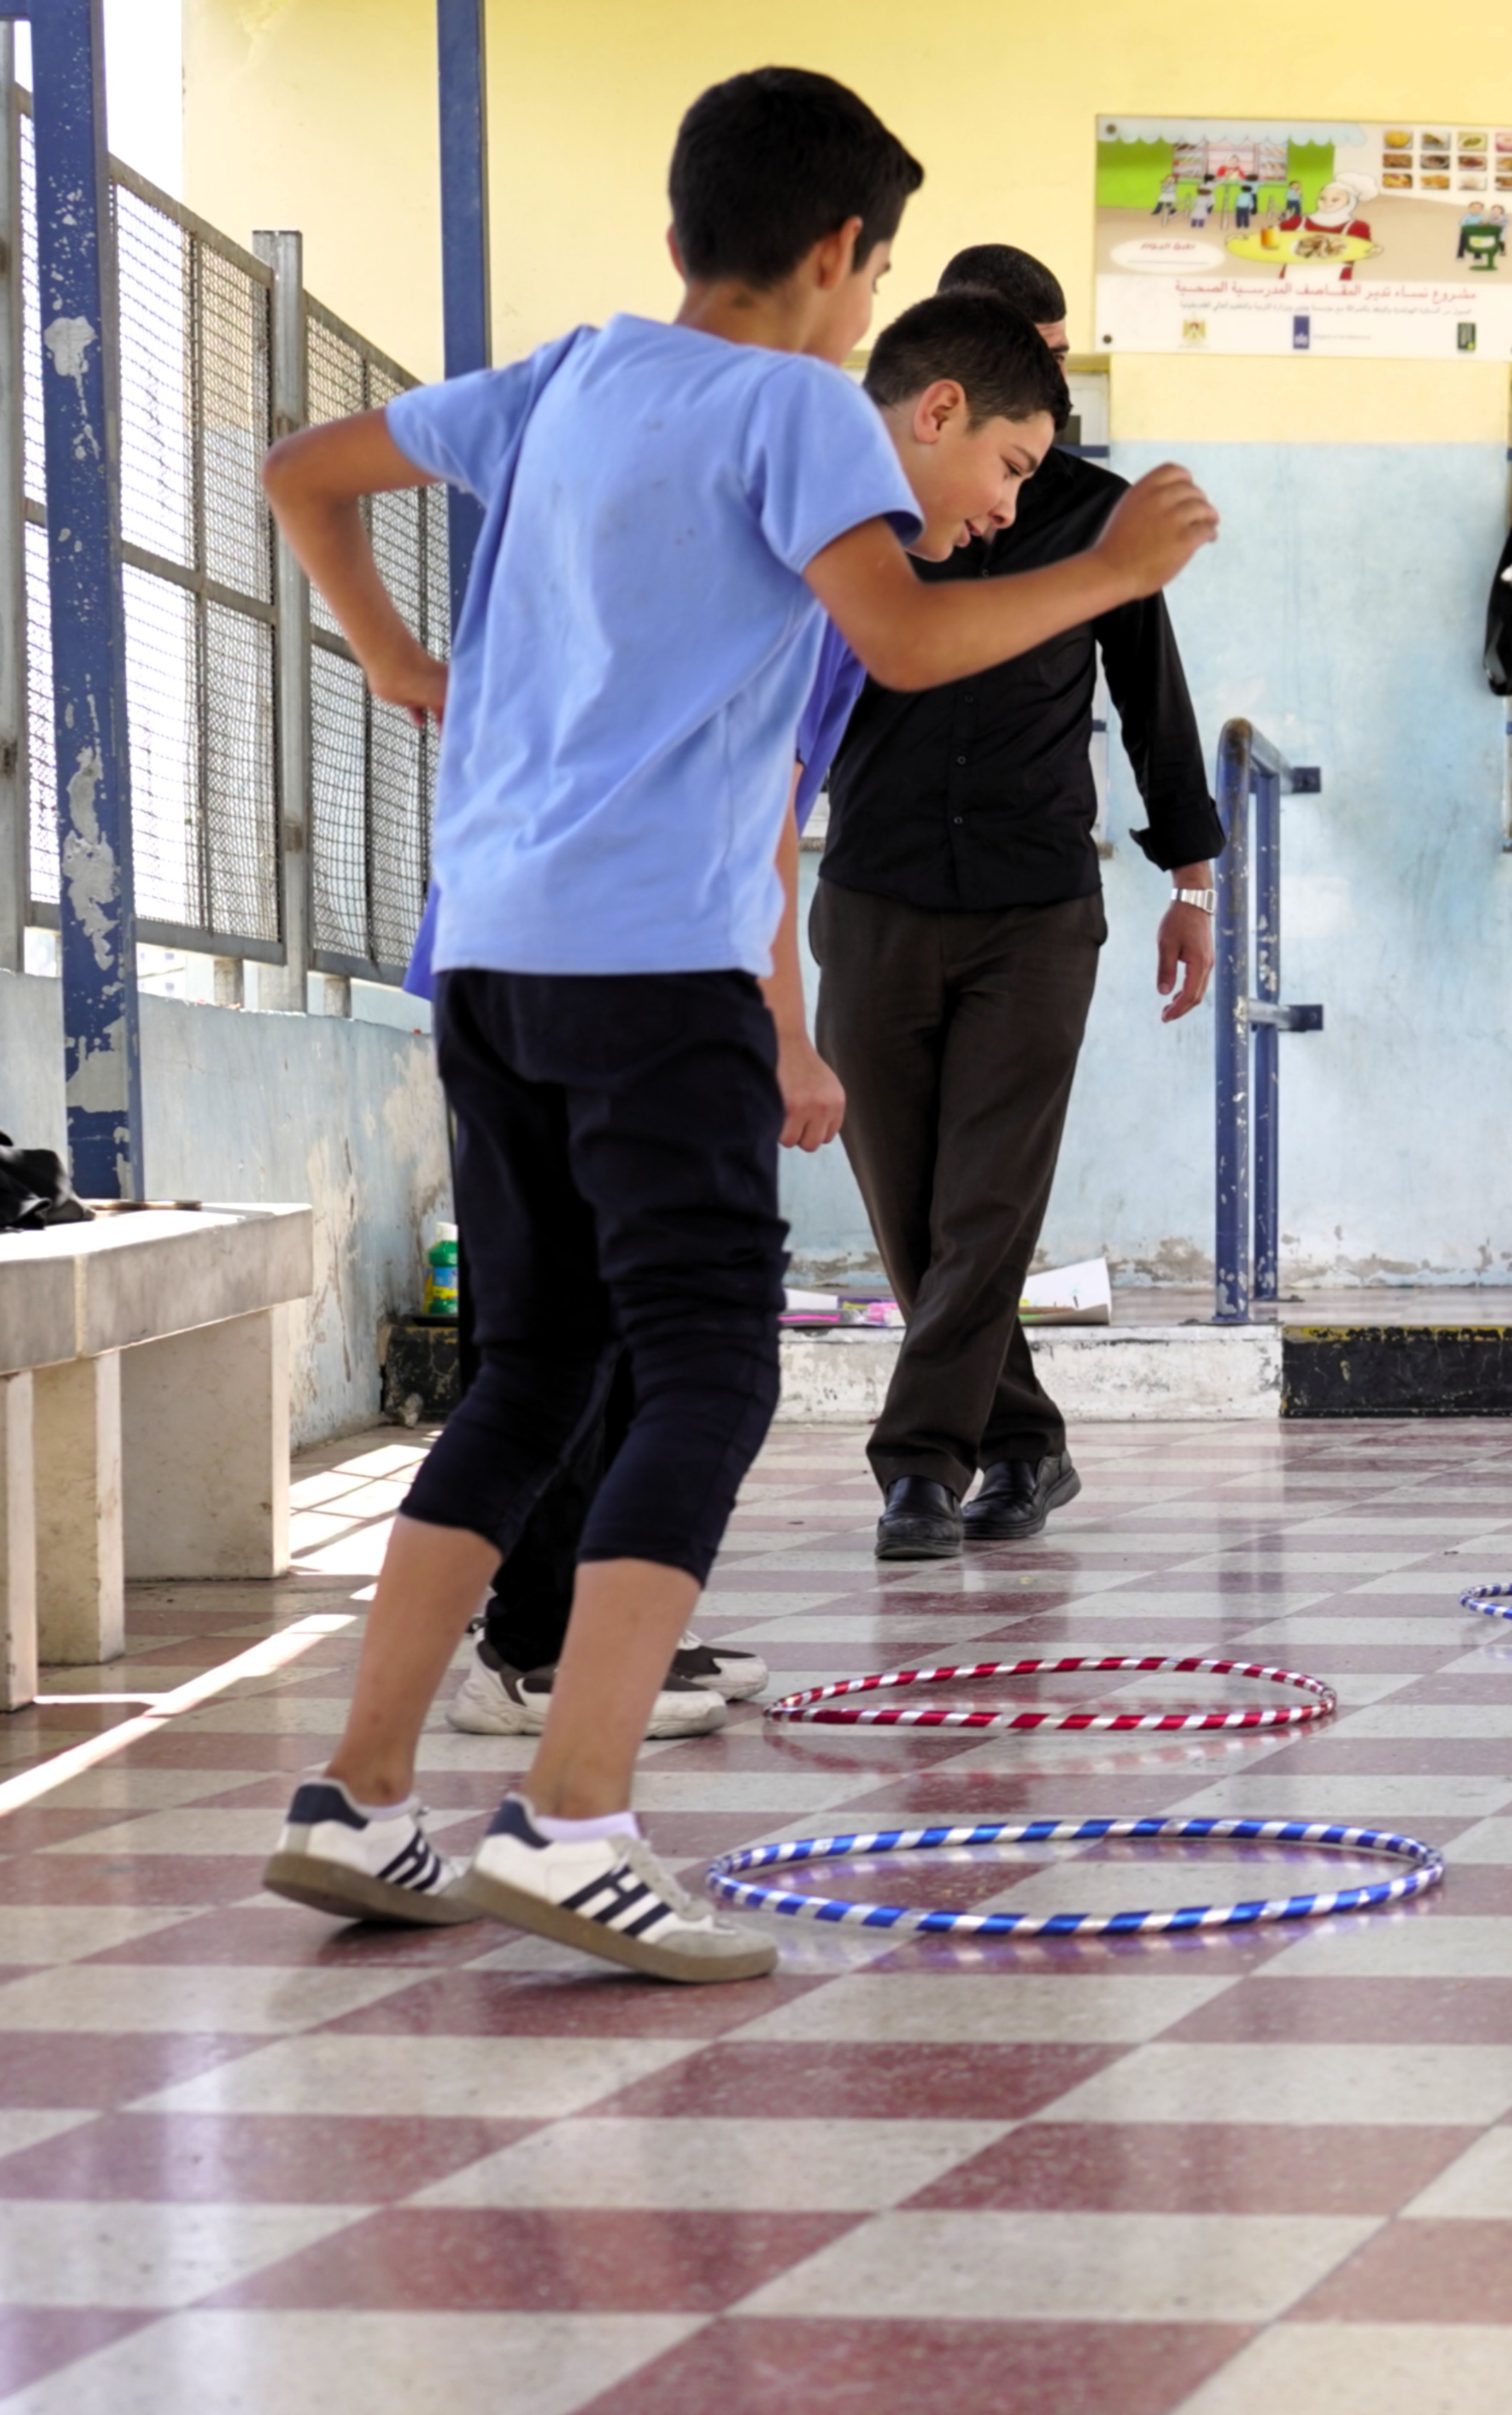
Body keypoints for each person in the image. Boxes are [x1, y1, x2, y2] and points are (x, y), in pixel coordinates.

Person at [253, 65, 1217, 1982]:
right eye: (875, 284)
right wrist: (1111, 572)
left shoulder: (567, 378)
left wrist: (400, 668)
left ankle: (359, 1797)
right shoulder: (796, 408)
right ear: (846, 260)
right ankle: (578, 1819)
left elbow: (302, 471)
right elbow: (906, 642)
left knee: (532, 1373)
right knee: (708, 1368)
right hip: (649, 973)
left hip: (501, 957)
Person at [452, 286, 1072, 1736]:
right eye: (1012, 473)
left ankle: (554, 1657)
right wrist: (787, 1034)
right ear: (934, 415)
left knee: (608, 1346)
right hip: (592, 959)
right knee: (619, 1352)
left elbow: (761, 811)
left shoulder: (802, 551)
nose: (1004, 512)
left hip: (600, 953)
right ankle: (530, 1677)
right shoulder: (808, 549)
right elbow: (763, 816)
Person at [819, 243, 1222, 1564]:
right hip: (872, 891)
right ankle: (1029, 1443)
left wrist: (1192, 881)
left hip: (1035, 905)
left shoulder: (1097, 514)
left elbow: (1154, 707)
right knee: (910, 1203)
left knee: (987, 1203)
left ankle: (921, 1467)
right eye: (1032, 350)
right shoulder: (855, 510)